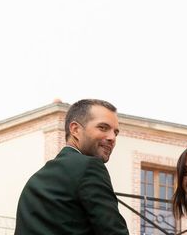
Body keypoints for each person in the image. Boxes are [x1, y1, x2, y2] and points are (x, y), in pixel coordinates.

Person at [15, 99, 129, 235]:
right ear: (75, 129)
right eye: (103, 128)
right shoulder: (89, 167)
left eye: (115, 132)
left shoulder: (35, 181)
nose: (112, 137)